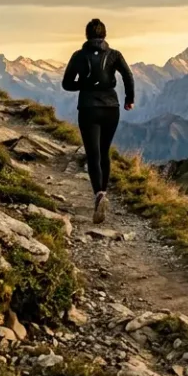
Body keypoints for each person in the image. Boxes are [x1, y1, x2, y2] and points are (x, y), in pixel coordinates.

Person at [62, 18, 135, 224]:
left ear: (86, 35)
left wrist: (85, 84)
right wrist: (129, 99)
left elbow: (67, 84)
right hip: (111, 108)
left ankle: (99, 194)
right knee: (104, 152)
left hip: (88, 108)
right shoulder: (114, 54)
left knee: (93, 154)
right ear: (105, 35)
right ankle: (104, 192)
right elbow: (128, 76)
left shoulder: (78, 55)